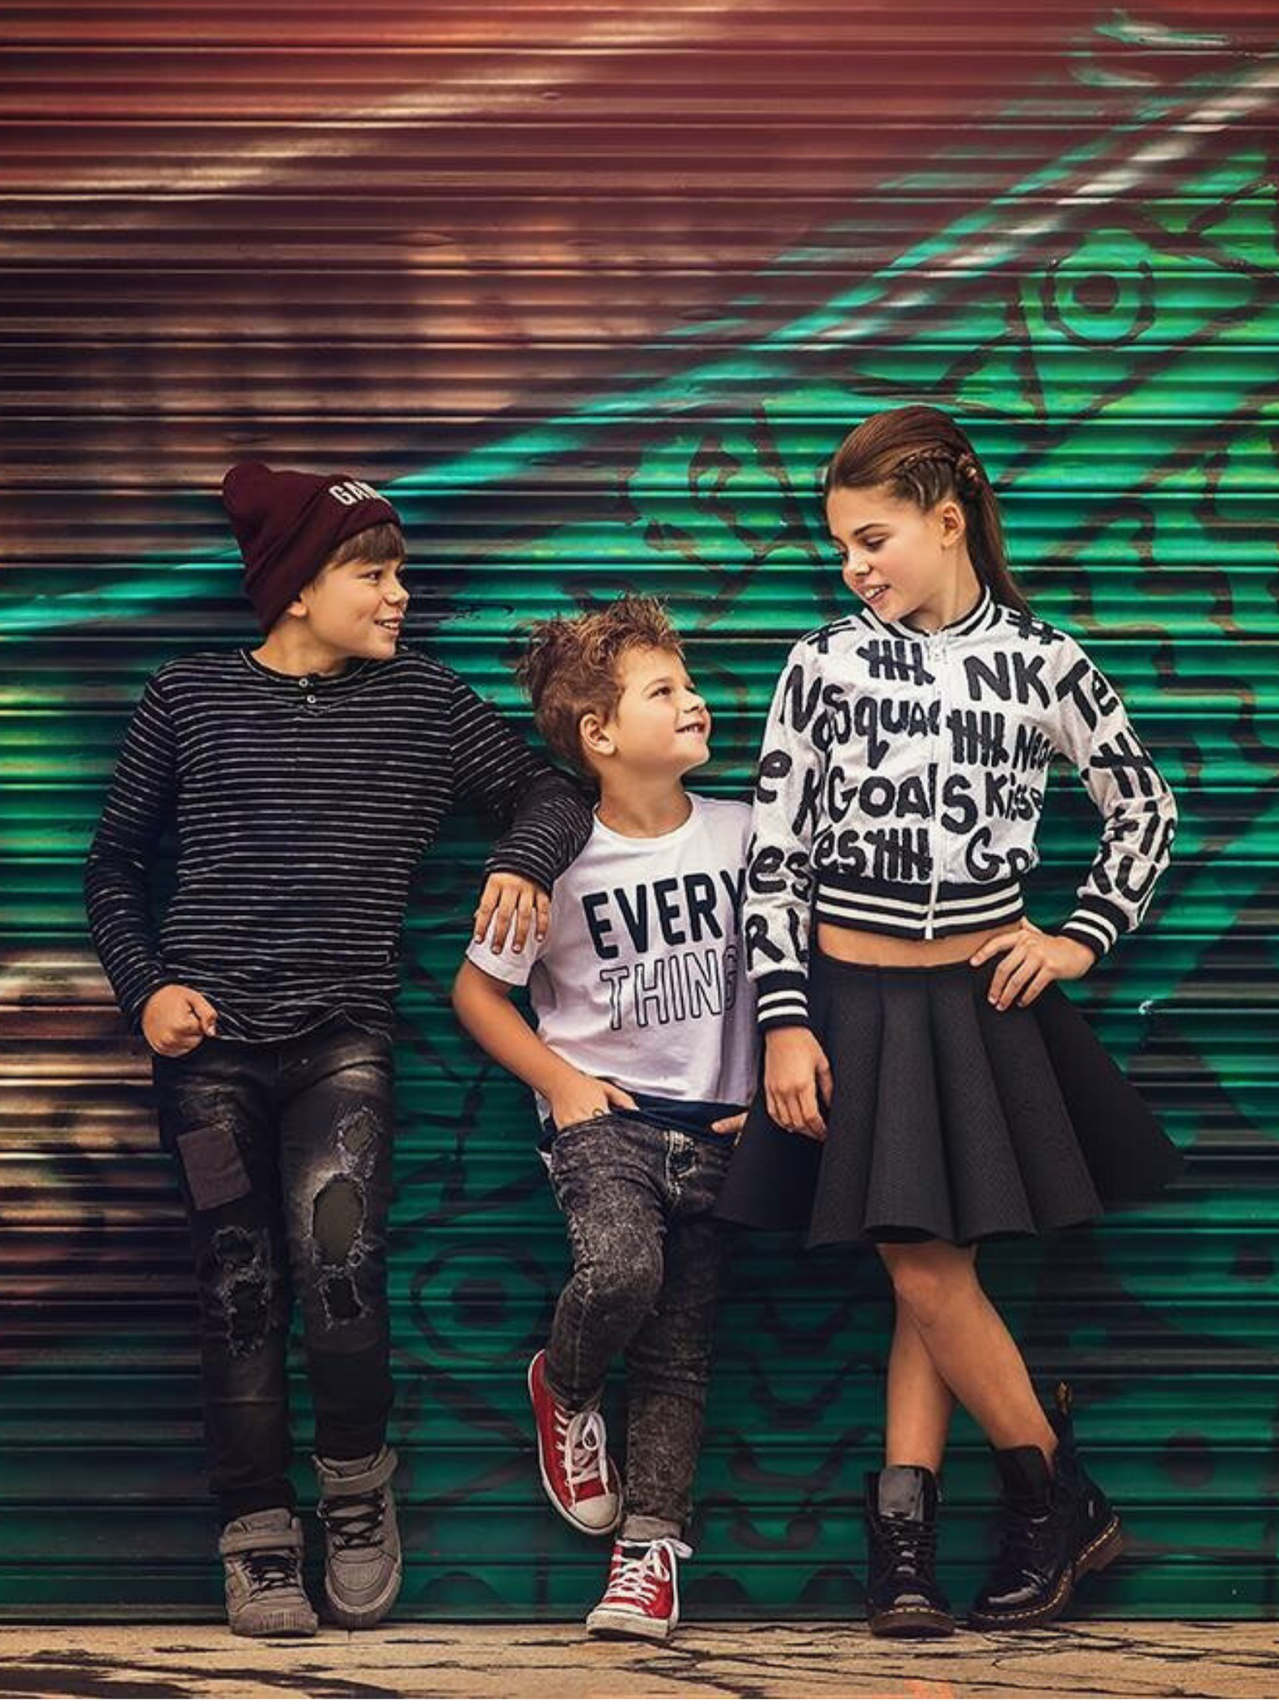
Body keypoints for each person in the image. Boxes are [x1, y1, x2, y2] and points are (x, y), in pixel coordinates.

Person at [83, 462, 593, 1638]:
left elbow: (549, 796)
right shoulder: (188, 699)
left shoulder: (423, 703)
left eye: (398, 569)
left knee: (341, 1279)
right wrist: (145, 987)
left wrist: (519, 859)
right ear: (298, 589)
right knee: (237, 1292)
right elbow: (112, 867)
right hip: (205, 1053)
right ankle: (257, 1533)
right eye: (374, 572)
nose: (400, 592)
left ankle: (357, 1495)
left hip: (341, 1045)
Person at [717, 404, 1186, 1637]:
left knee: (933, 1266)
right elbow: (774, 856)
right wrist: (782, 1019)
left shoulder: (1044, 660)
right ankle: (1035, 1498)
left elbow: (1142, 806)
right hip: (849, 1003)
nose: (853, 567)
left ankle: (931, 1533)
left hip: (977, 1005)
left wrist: (1078, 935)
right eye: (840, 549)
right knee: (925, 1264)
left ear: (946, 519)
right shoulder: (821, 662)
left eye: (872, 539)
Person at [452, 595, 755, 1641]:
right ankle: (565, 1379)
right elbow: (476, 992)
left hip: (722, 1127)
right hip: (604, 1124)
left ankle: (648, 1558)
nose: (696, 701)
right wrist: (562, 1083)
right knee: (622, 1273)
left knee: (680, 1354)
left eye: (690, 682)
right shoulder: (556, 859)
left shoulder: (746, 834)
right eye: (663, 690)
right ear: (598, 733)